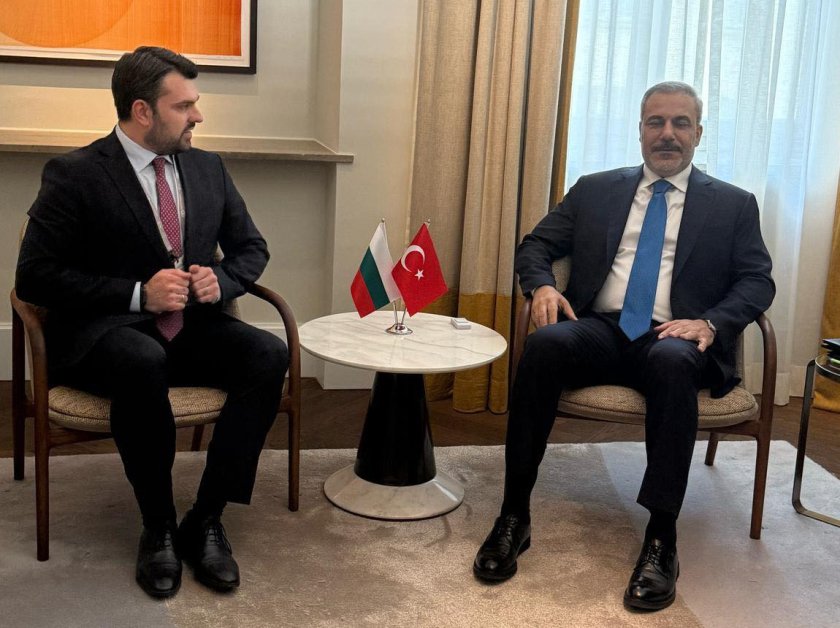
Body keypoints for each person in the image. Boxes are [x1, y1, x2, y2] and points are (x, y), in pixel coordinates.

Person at [472, 81, 775, 611]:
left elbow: (757, 280)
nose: (667, 133)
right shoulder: (595, 189)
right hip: (601, 328)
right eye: (656, 122)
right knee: (545, 346)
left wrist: (711, 322)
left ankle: (661, 538)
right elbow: (536, 244)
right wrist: (541, 286)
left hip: (673, 335)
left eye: (680, 123)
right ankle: (514, 516)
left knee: (674, 360)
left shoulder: (733, 204)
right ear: (640, 130)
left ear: (698, 133)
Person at [16, 46, 289, 599]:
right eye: (184, 106)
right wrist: (138, 294)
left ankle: (206, 517)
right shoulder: (75, 174)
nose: (197, 116)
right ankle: (158, 525)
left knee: (268, 354)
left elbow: (251, 248)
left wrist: (222, 281)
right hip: (103, 336)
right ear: (142, 110)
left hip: (188, 329)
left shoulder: (208, 168)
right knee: (142, 359)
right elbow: (36, 276)